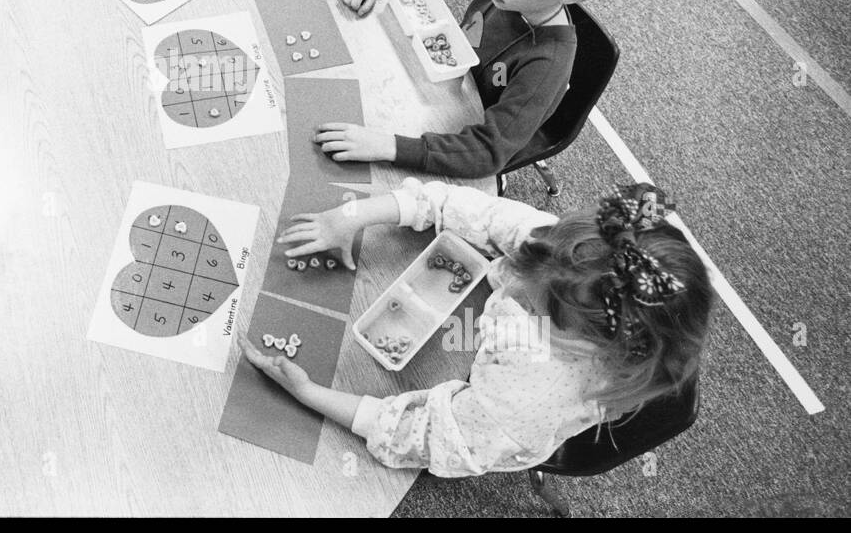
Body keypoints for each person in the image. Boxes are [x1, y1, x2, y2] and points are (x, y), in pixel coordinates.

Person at [242, 181, 713, 475]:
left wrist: (310, 395)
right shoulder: (572, 252)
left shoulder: (526, 398)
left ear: (577, 343)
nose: (519, 279)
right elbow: (477, 211)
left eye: (531, 299)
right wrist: (354, 215)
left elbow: (423, 437)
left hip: (497, 424)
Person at [329, 0, 631, 178]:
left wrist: (389, 147)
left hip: (463, 131)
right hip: (443, 87)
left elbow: (488, 151)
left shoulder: (547, 63)